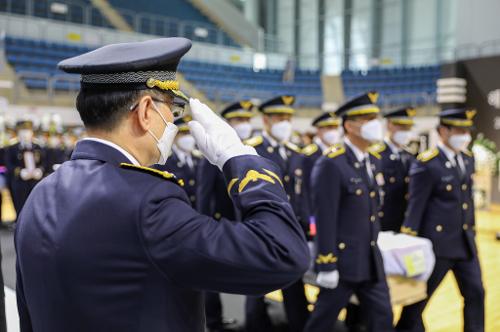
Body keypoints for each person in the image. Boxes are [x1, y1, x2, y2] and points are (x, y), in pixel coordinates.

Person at [15, 37, 309, 332]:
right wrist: (241, 159)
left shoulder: (41, 193)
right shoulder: (148, 203)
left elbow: (30, 313)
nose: (172, 121)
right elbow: (282, 254)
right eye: (171, 108)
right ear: (145, 111)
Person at [304, 92, 394, 332]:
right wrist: (326, 263)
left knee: (383, 319)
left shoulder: (372, 161)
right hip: (343, 264)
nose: (375, 123)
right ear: (349, 125)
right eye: (367, 118)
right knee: (321, 322)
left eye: (375, 117)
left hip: (371, 261)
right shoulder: (331, 164)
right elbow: (324, 218)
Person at [397, 108, 485, 332]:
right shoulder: (427, 163)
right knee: (418, 300)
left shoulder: (467, 158)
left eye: (466, 130)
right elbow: (415, 207)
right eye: (458, 130)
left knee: (476, 293)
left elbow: (466, 202)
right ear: (442, 131)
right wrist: (410, 242)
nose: (464, 135)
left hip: (465, 243)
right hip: (437, 245)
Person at [244, 95, 309, 332]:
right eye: (280, 117)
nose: (285, 122)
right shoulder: (251, 149)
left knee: (294, 285)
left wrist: (306, 227)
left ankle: (298, 324)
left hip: (292, 230)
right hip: (262, 230)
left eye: (288, 118)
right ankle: (256, 326)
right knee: (257, 288)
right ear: (266, 120)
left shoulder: (295, 152)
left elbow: (302, 195)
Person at [197, 99, 256, 332]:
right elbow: (204, 195)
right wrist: (205, 227)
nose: (244, 125)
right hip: (220, 226)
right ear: (227, 124)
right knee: (212, 279)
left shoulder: (251, 152)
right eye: (239, 120)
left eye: (247, 120)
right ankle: (213, 322)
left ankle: (254, 321)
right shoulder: (212, 155)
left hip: (245, 226)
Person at [370, 107, 416, 232]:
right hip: (382, 222)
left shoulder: (410, 156)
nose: (406, 132)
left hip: (404, 222)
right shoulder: (375, 154)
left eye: (408, 128)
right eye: (402, 127)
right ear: (389, 125)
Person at [302, 112, 342, 238]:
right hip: (316, 215)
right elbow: (305, 191)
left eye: (335, 128)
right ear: (319, 131)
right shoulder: (309, 156)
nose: (333, 132)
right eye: (329, 128)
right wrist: (310, 221)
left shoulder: (341, 154)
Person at [155, 115, 202, 207]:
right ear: (174, 135)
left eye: (191, 133)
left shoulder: (200, 159)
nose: (189, 137)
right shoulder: (163, 161)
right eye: (184, 133)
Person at [5, 119, 44, 217]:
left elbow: (45, 162)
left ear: (32, 132)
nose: (25, 133)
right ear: (18, 132)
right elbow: (8, 164)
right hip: (19, 182)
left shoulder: (38, 147)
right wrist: (20, 171)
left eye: (28, 130)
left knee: (36, 206)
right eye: (22, 131)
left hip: (35, 182)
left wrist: (40, 170)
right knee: (20, 207)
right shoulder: (12, 148)